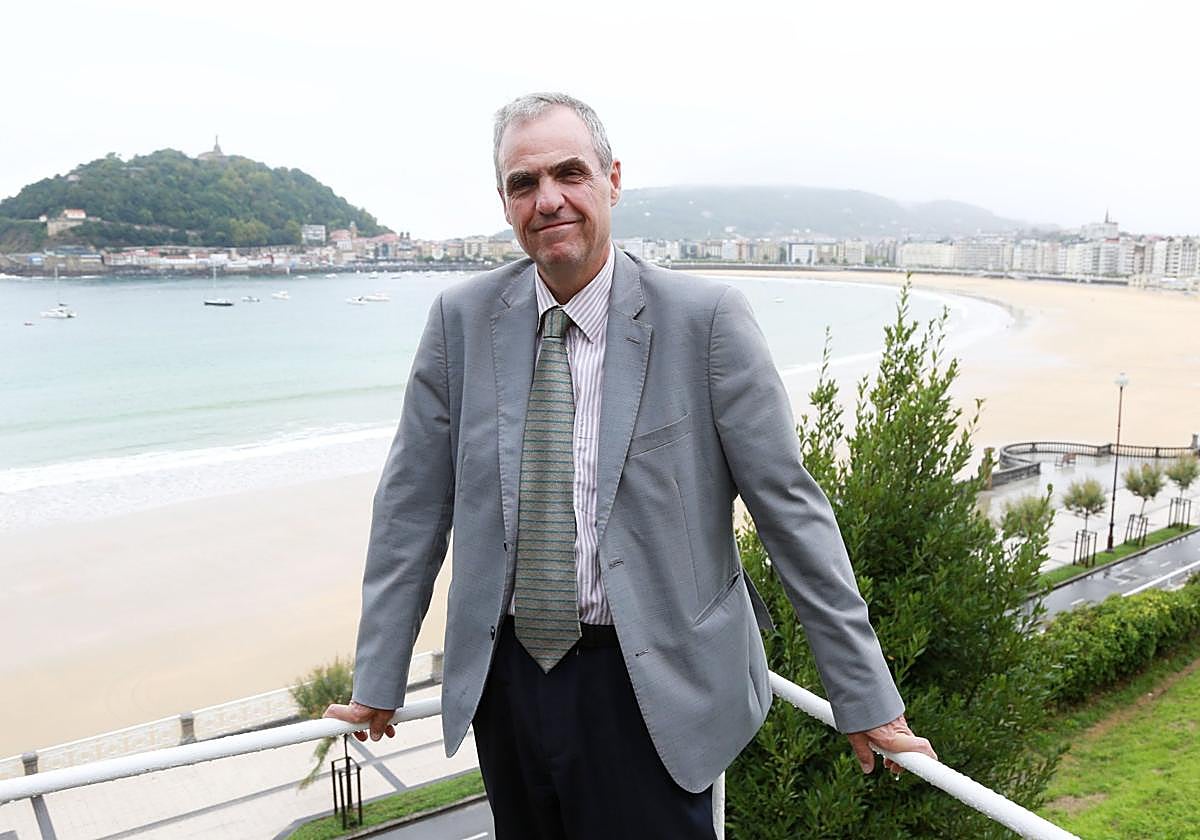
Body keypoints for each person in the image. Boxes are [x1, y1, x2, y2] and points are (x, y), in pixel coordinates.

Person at [325, 92, 936, 839]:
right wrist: (378, 679)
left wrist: (864, 693)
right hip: (506, 686)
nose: (549, 200)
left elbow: (790, 511)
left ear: (612, 180)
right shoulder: (460, 322)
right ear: (505, 202)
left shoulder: (704, 321)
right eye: (524, 184)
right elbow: (412, 510)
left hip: (654, 689)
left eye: (569, 173)